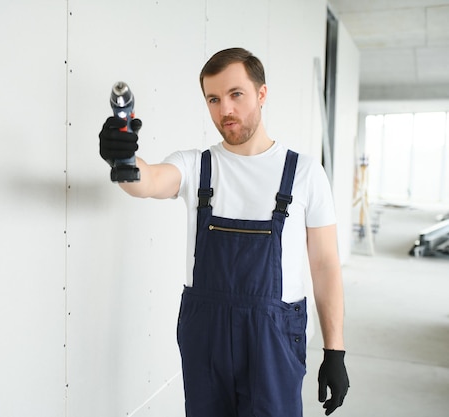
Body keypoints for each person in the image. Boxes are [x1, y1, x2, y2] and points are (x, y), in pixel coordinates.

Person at [99, 47, 349, 417]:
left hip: (274, 339)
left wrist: (335, 350)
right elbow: (147, 180)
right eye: (213, 99)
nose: (225, 110)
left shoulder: (305, 173)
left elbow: (326, 264)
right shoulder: (196, 165)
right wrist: (121, 159)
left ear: (261, 95)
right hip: (207, 335)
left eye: (236, 95)